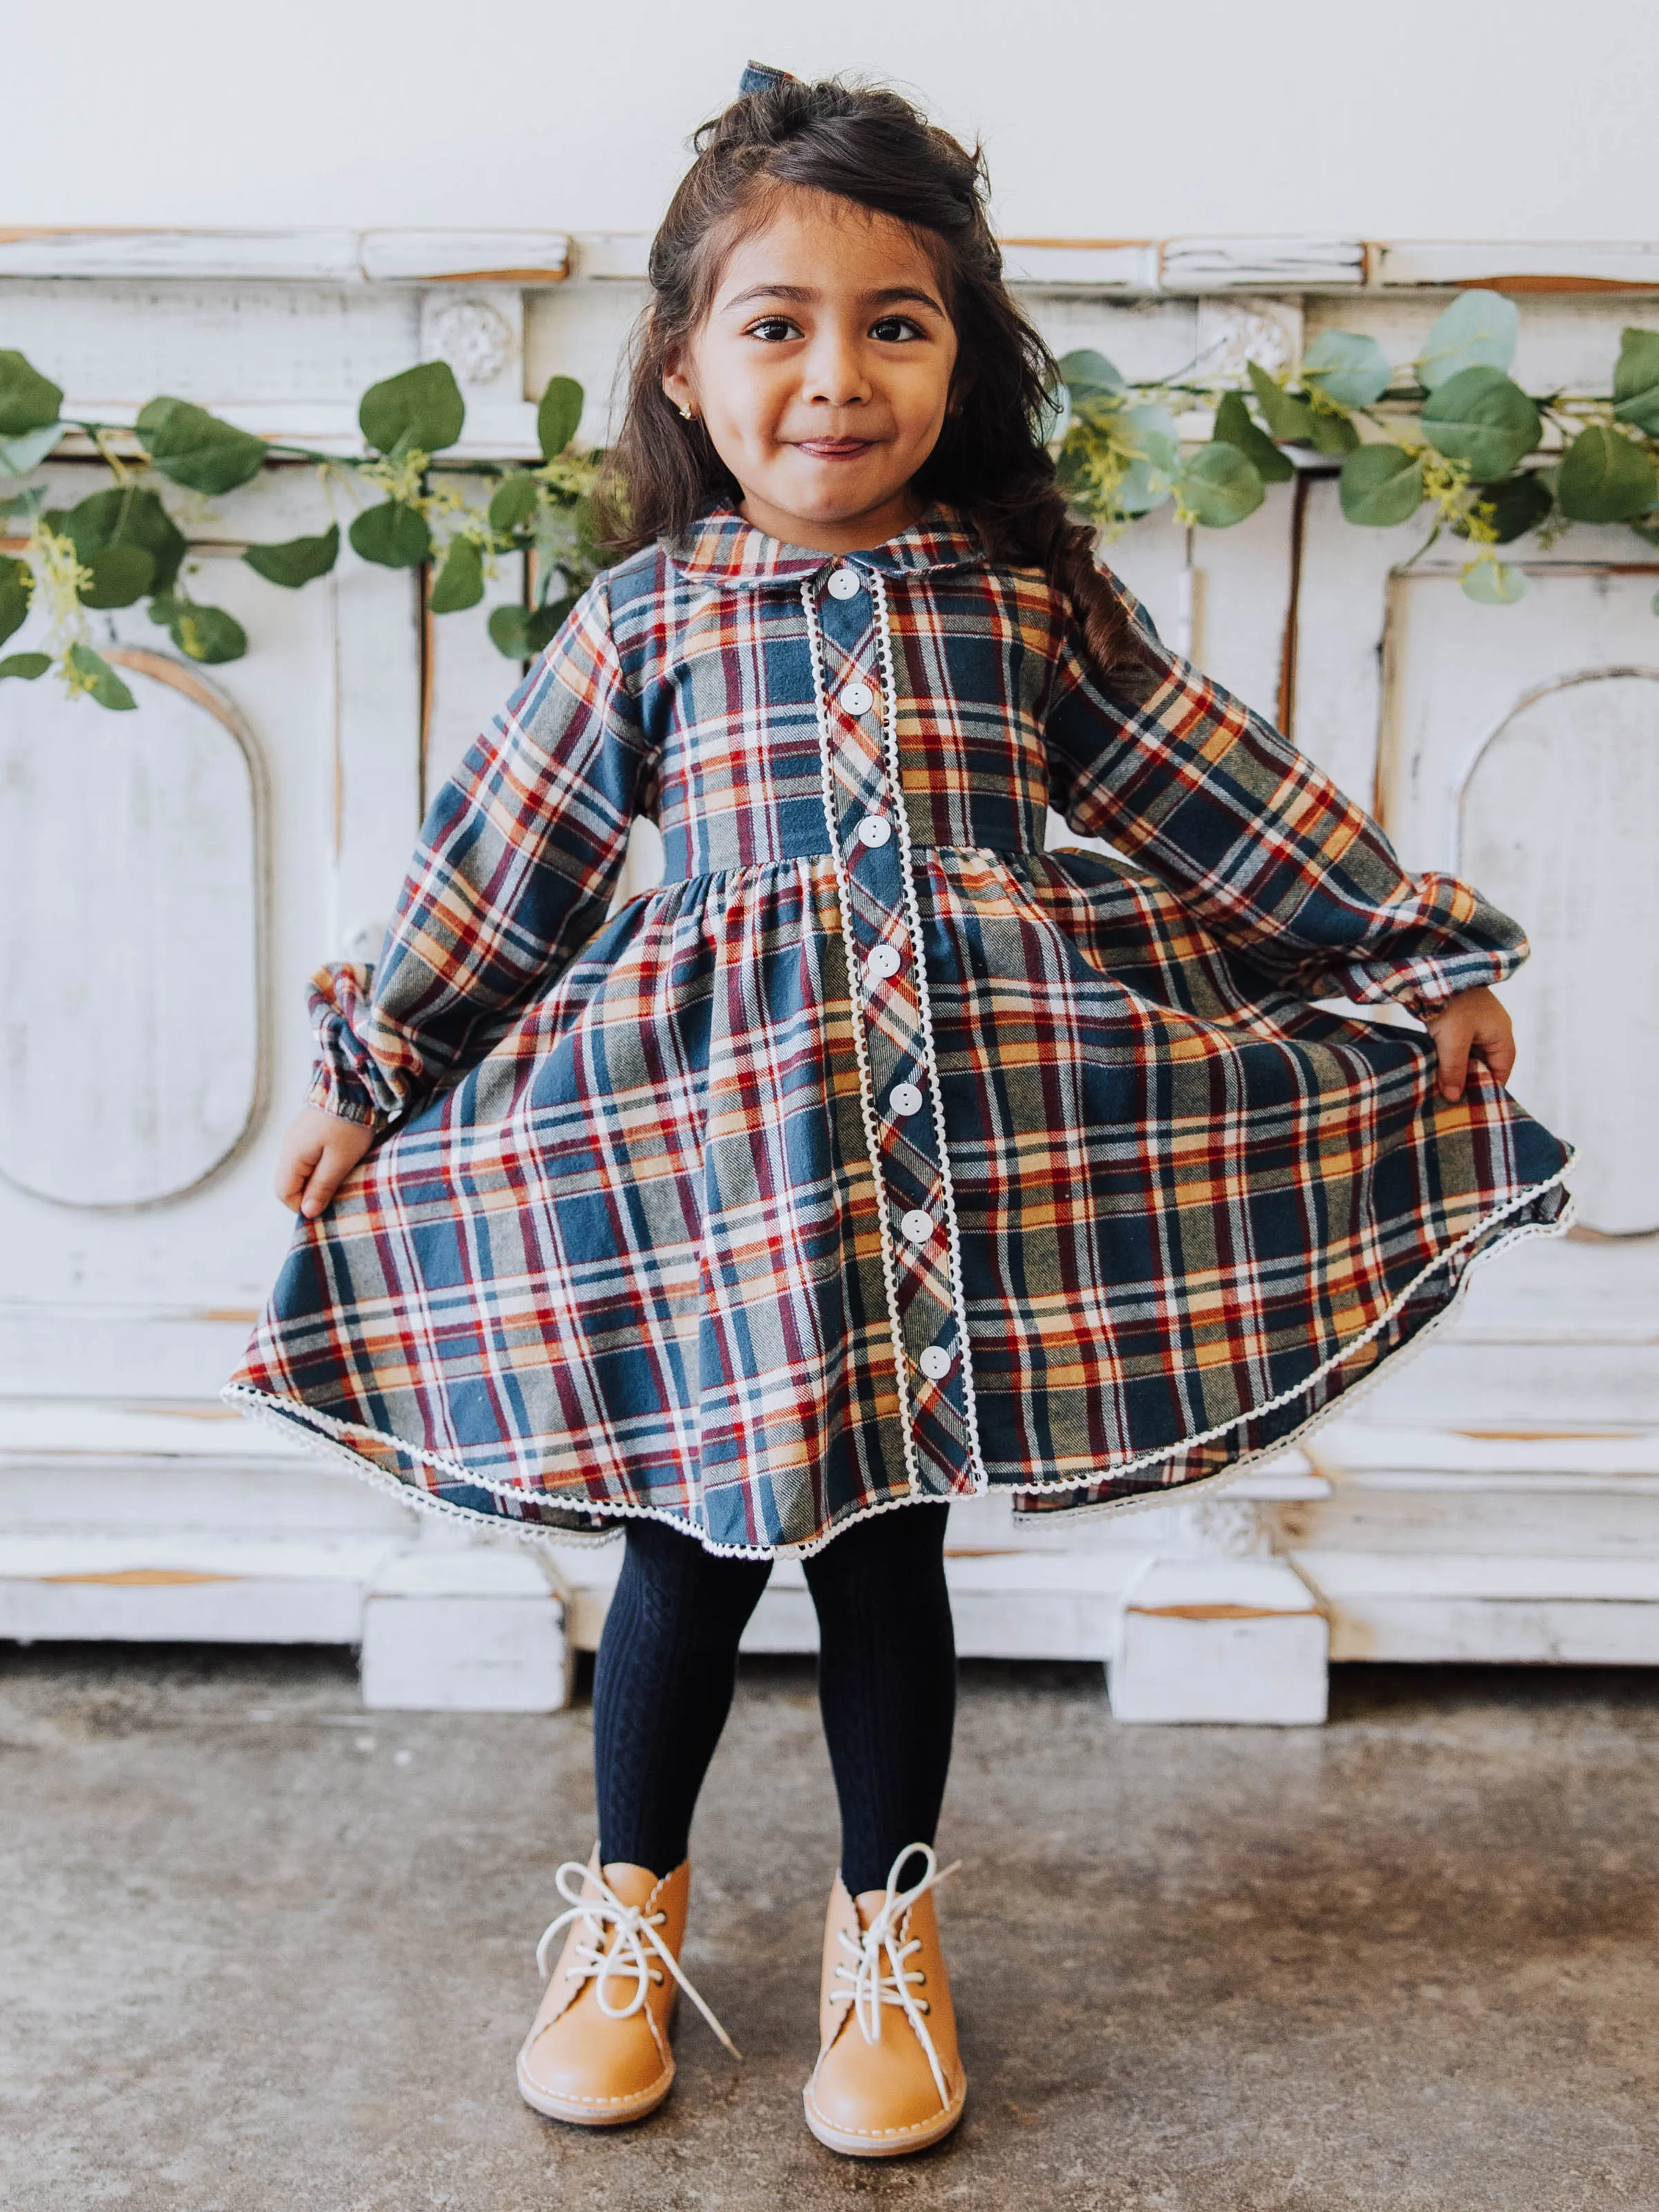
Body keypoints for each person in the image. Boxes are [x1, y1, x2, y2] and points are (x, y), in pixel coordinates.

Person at [223, 62, 1572, 2160]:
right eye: (775, 324)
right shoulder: (648, 621)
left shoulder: (1027, 604)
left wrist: (1420, 956)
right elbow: (498, 869)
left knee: (883, 1556)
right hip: (712, 1171)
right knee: (682, 1540)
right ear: (684, 364)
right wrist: (370, 1068)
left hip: (962, 1173)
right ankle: (625, 1921)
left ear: (965, 357)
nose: (832, 378)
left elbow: (1218, 791)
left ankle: (885, 1938)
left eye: (895, 323)